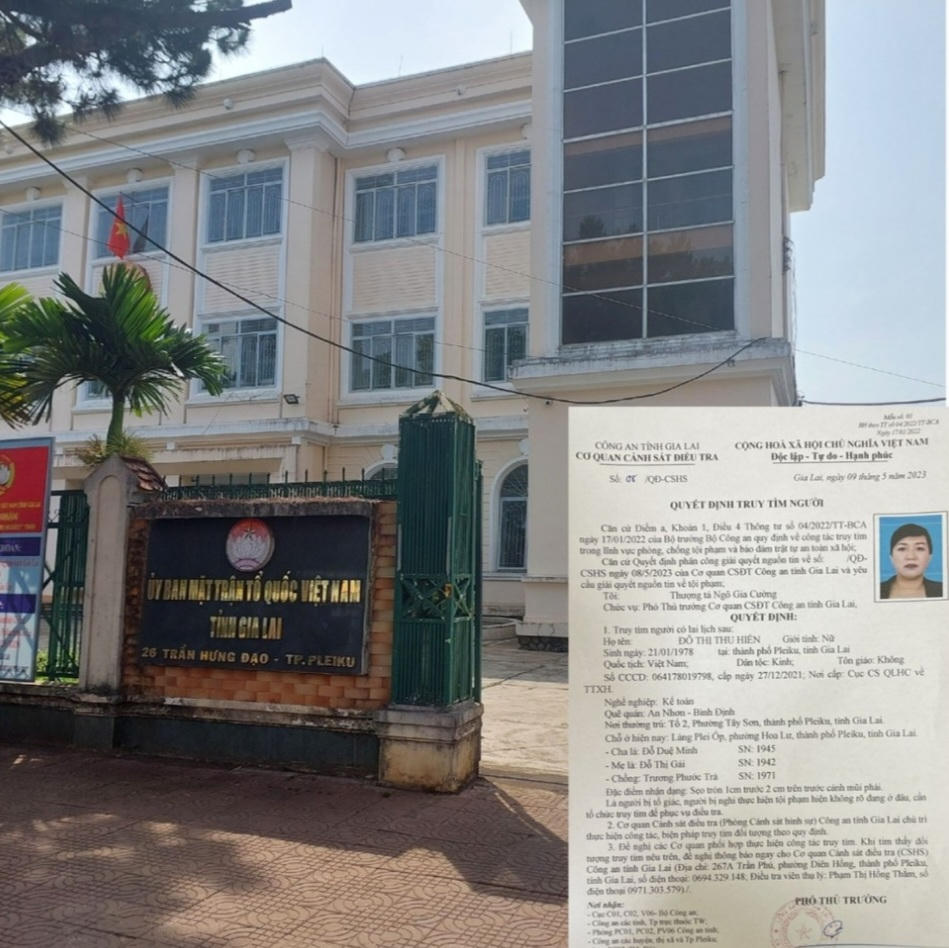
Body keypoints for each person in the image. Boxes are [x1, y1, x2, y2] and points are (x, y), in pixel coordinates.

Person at [880, 523, 943, 599]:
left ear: (930, 557)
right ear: (891, 557)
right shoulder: (875, 590)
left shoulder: (943, 590)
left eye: (919, 548)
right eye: (902, 549)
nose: (911, 557)